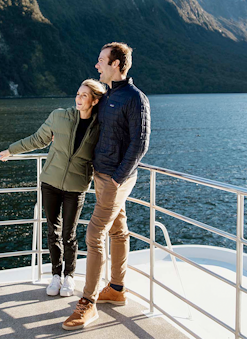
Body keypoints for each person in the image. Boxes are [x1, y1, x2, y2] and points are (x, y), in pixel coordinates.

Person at [62, 43, 151, 330]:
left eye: (101, 61)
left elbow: (140, 143)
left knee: (94, 232)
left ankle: (88, 302)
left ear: (116, 64)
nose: (97, 65)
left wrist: (117, 177)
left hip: (115, 178)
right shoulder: (109, 94)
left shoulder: (135, 99)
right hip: (100, 174)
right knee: (118, 230)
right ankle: (116, 288)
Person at [0, 79, 106, 297]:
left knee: (69, 233)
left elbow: (104, 153)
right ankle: (56, 275)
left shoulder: (100, 125)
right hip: (50, 182)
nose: (78, 98)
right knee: (52, 230)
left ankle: (69, 277)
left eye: (84, 95)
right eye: (77, 94)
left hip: (76, 187)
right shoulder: (59, 116)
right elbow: (38, 139)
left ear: (94, 100)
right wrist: (11, 151)